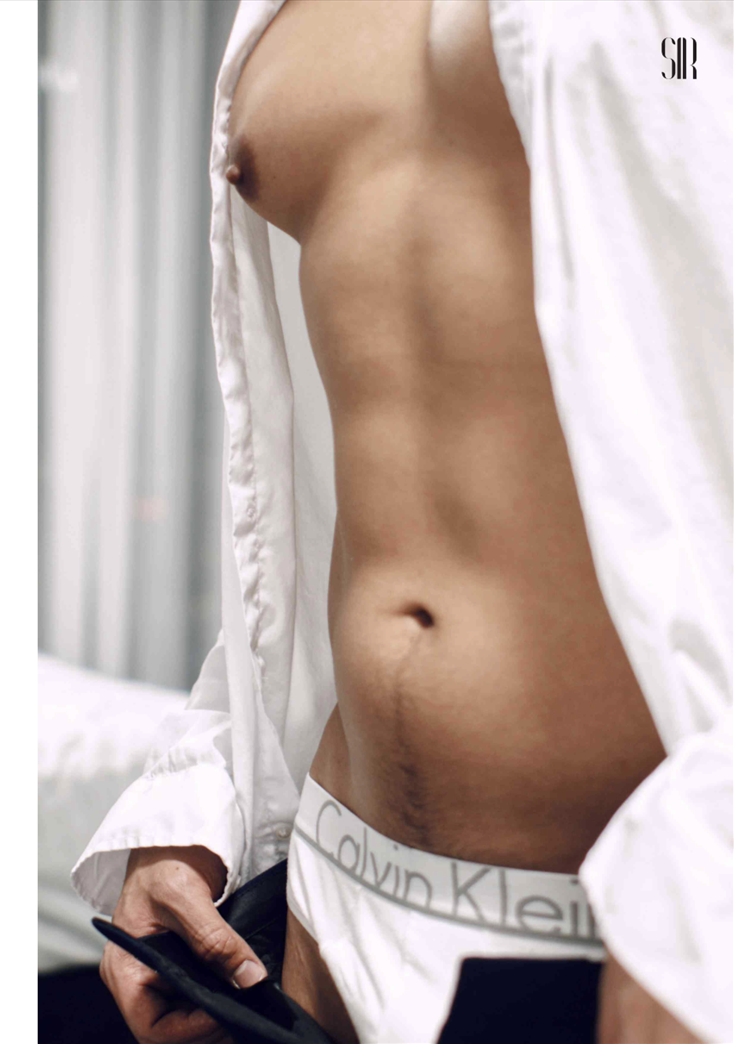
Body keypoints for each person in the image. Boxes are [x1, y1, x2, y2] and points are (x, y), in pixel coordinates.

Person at [72, 2, 732, 1042]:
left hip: (638, 950)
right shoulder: (280, 20)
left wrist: (709, 897)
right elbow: (301, 504)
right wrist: (201, 809)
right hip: (323, 909)